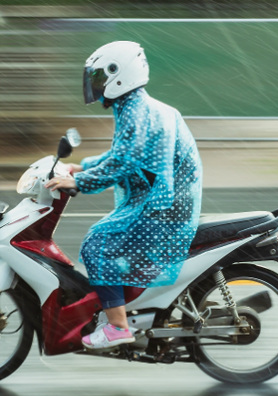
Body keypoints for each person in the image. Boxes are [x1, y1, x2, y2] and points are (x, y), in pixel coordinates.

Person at [45, 41, 203, 350]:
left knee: (96, 243)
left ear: (119, 75)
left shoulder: (136, 111)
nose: (96, 86)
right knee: (108, 242)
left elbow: (125, 161)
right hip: (163, 202)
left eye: (100, 78)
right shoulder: (136, 106)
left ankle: (117, 326)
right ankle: (124, 307)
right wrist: (83, 167)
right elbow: (122, 154)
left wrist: (80, 182)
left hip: (161, 207)